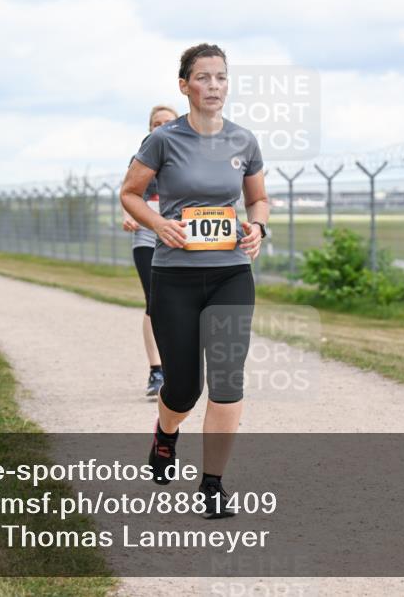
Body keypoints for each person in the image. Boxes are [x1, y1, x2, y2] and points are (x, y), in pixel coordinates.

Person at [120, 43, 269, 518]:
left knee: (227, 381)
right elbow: (130, 193)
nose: (214, 86)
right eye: (203, 78)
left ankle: (212, 483)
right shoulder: (164, 140)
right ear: (184, 86)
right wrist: (159, 224)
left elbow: (258, 200)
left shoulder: (244, 141)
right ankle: (166, 433)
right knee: (184, 388)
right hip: (175, 276)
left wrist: (258, 228)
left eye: (221, 77)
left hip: (230, 274)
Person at [123, 104, 179, 397]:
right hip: (147, 235)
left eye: (168, 122)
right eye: (156, 123)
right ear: (150, 129)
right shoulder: (142, 159)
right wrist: (129, 216)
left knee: (180, 302)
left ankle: (180, 367)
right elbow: (130, 195)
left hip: (180, 237)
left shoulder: (188, 157)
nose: (161, 127)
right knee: (154, 300)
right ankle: (157, 371)